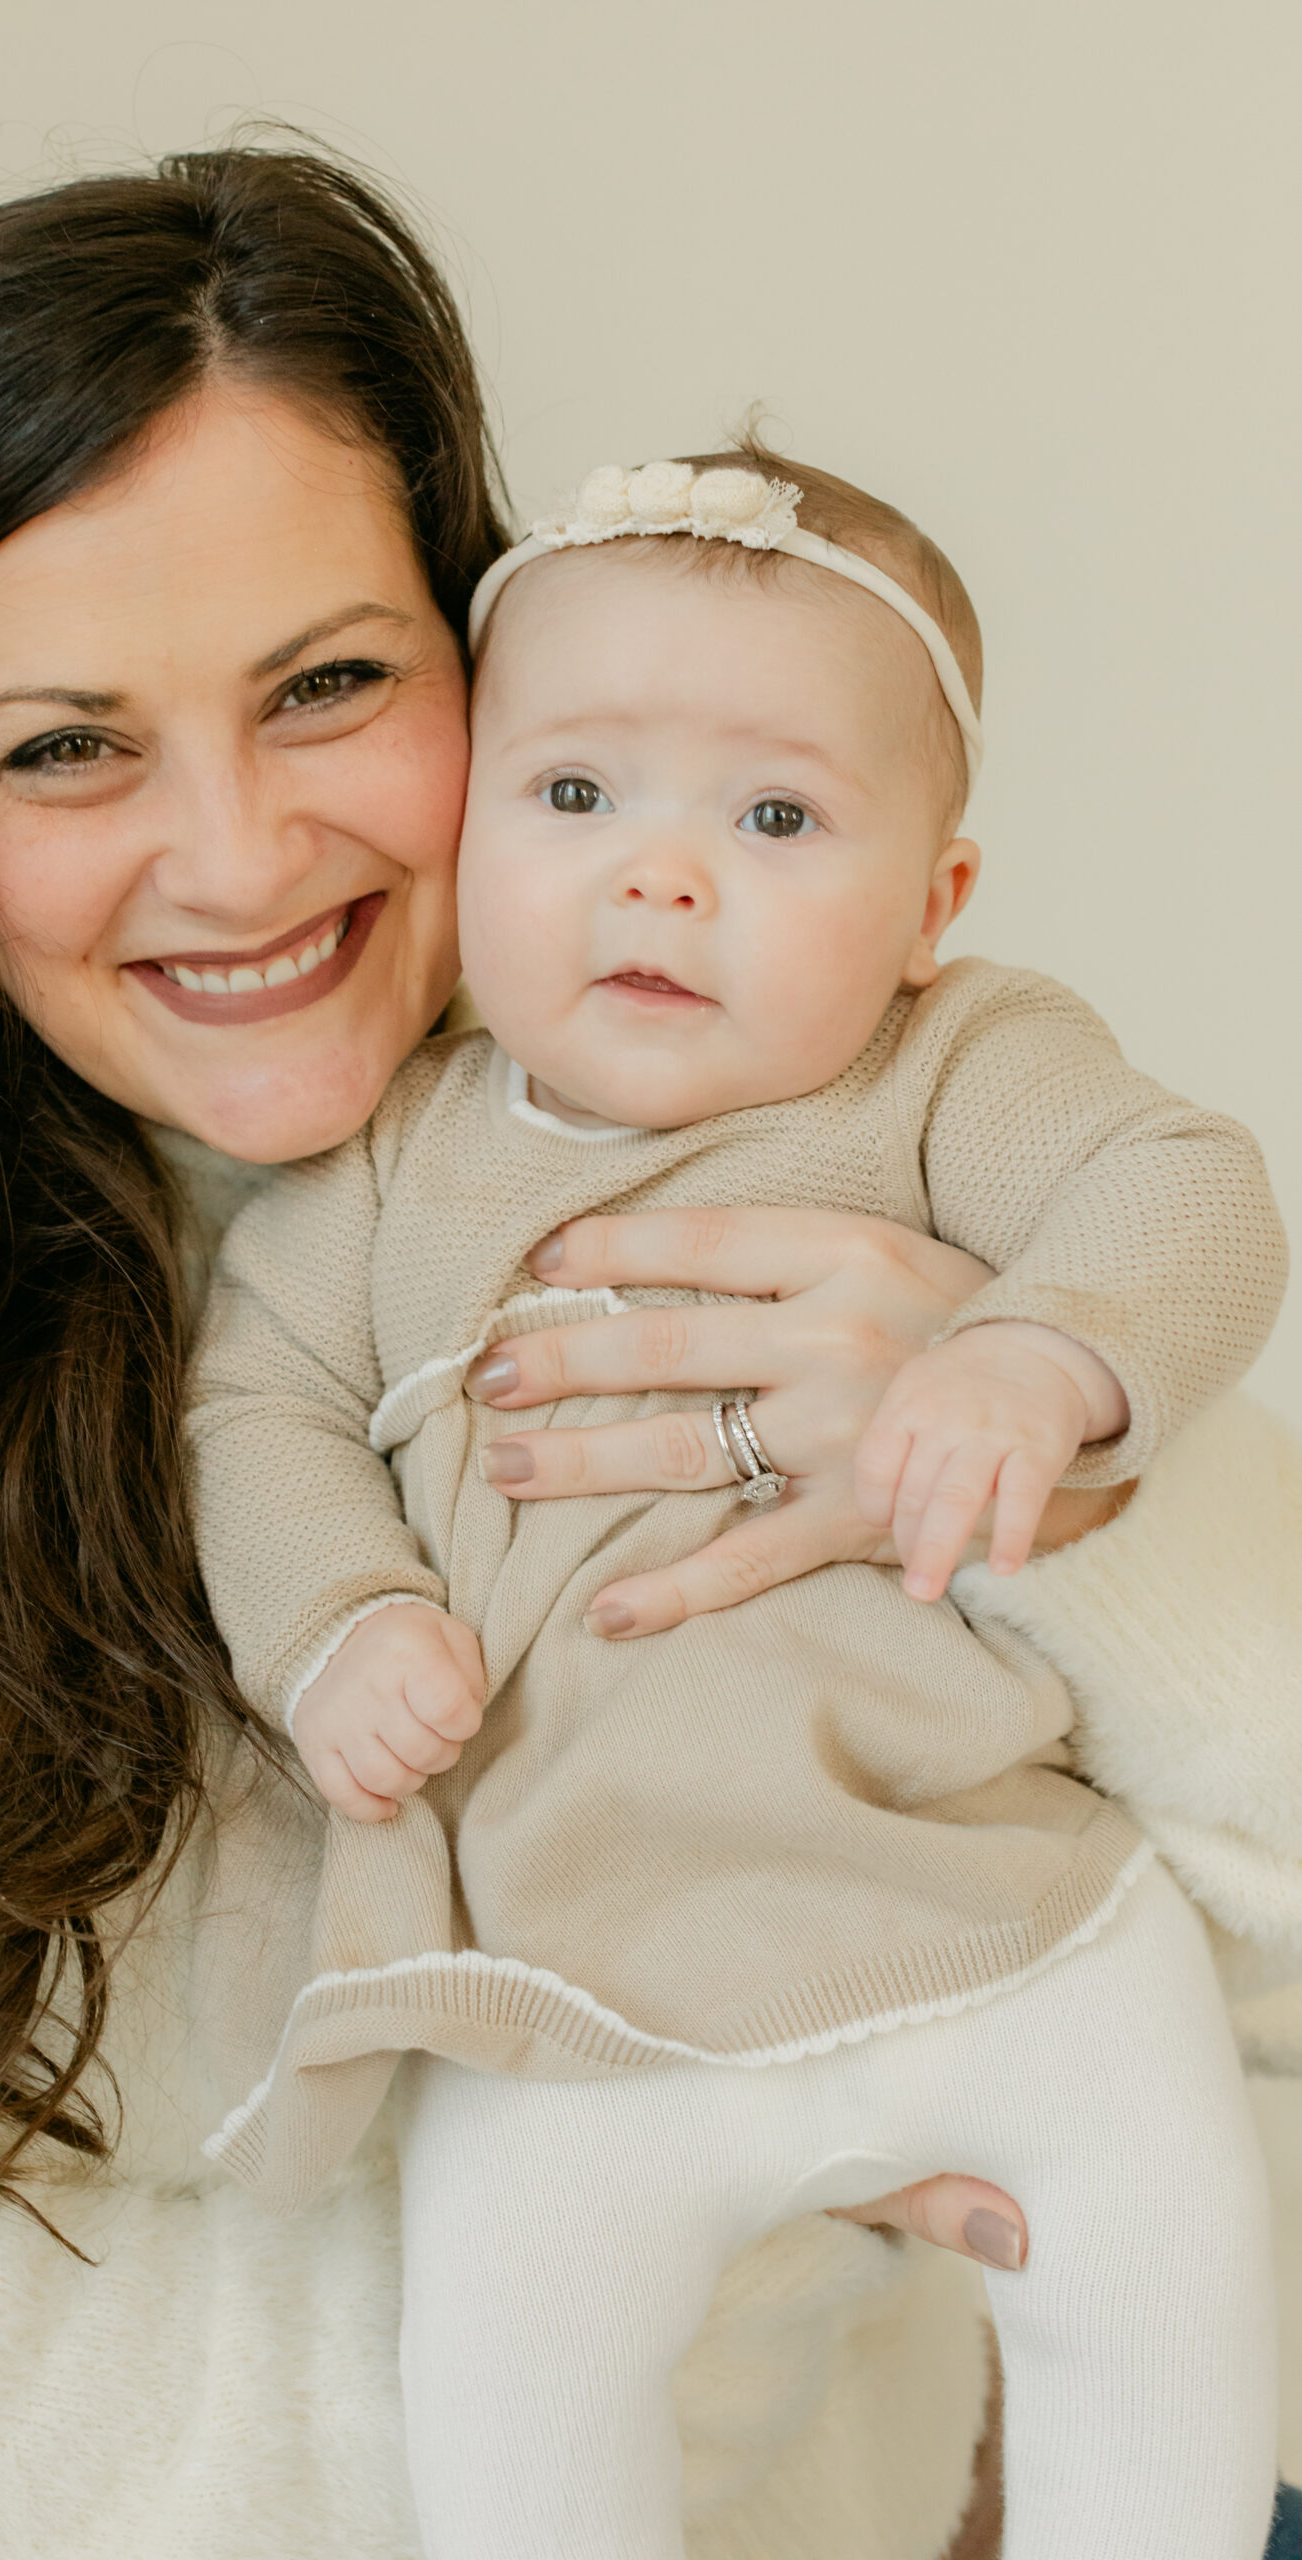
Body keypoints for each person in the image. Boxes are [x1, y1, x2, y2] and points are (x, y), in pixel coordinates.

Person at [0, 148, 1296, 2560]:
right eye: (69, 744)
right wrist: (715, 2199)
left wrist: (1042, 1439)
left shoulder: (850, 1123)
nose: (242, 851)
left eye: (328, 686)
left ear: (485, 665)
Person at [186, 445, 1286, 2558]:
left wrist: (1028, 1354)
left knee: (1160, 2300)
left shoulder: (949, 1064)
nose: (657, 878)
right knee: (510, 2426)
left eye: (772, 818)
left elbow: (1188, 1190)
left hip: (998, 1907)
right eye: (574, 794)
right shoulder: (388, 1165)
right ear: (465, 819)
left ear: (928, 903)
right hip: (576, 1988)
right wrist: (335, 1619)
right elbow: (259, 1404)